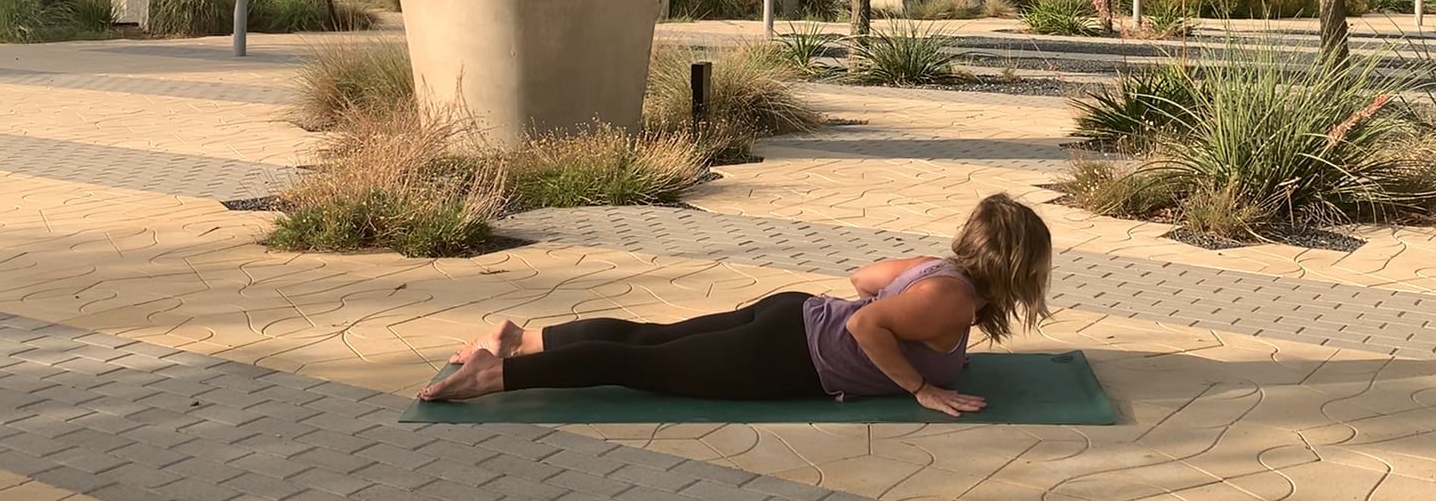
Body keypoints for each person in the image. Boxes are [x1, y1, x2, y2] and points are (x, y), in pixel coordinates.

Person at [418, 193, 1054, 415]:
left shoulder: (935, 273)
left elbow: (862, 280)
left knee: (647, 338)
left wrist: (911, 322)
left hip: (791, 315)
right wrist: (919, 385)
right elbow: (866, 323)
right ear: (1016, 265)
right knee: (637, 365)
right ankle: (497, 374)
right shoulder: (951, 298)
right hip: (785, 355)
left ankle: (521, 338)